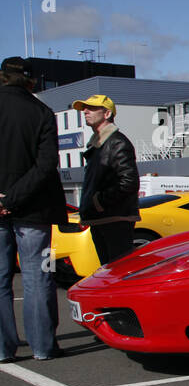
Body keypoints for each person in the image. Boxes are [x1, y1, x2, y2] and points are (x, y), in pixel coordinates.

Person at [0, 56, 64, 361]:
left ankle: (2, 348)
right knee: (37, 277)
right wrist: (12, 199)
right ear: (31, 81)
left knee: (0, 280)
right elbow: (46, 165)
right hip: (33, 207)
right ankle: (42, 346)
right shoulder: (42, 113)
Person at [75, 94, 139, 266]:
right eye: (84, 108)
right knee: (110, 271)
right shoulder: (98, 144)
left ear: (107, 114)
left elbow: (129, 182)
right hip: (104, 218)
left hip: (114, 219)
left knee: (118, 271)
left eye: (92, 108)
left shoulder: (117, 142)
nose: (85, 111)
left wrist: (99, 202)